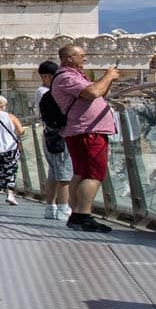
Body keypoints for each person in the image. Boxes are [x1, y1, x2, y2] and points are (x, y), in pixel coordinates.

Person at [50, 44, 120, 233]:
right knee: (94, 174)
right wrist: (108, 76)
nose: (85, 58)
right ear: (67, 58)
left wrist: (108, 80)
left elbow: (98, 92)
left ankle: (77, 215)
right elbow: (92, 93)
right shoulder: (66, 77)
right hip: (88, 131)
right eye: (81, 55)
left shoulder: (73, 76)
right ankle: (83, 215)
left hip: (84, 130)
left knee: (81, 173)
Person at [36, 60, 72, 221]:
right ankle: (63, 207)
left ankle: (50, 207)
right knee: (64, 173)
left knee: (53, 172)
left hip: (49, 134)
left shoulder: (41, 91)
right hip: (58, 134)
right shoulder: (46, 92)